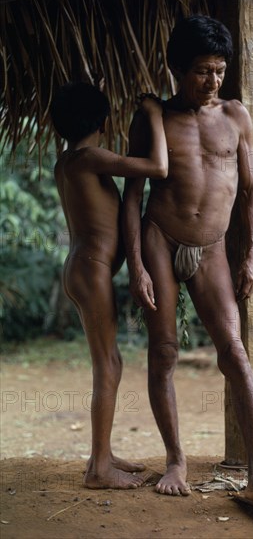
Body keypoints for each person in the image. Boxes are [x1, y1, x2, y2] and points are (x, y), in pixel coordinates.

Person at [123, 16, 253, 520]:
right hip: (160, 234)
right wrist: (136, 266)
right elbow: (133, 195)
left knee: (235, 353)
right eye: (202, 70)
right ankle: (175, 462)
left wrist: (252, 256)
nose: (213, 80)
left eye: (219, 70)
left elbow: (251, 191)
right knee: (165, 350)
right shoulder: (153, 118)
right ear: (178, 68)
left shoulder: (237, 116)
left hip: (214, 246)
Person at [50, 82, 168, 489]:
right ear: (104, 121)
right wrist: (154, 114)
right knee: (109, 364)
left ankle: (103, 454)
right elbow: (158, 168)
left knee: (108, 361)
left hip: (80, 268)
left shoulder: (65, 162)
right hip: (91, 269)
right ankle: (99, 468)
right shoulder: (90, 158)